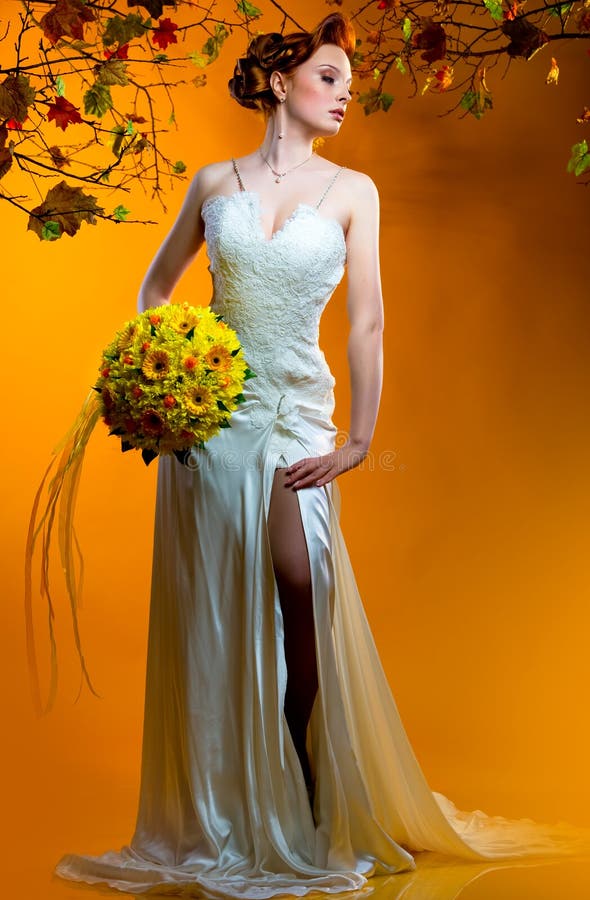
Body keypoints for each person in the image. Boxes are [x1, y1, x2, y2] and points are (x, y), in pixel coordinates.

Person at [54, 11, 590, 898]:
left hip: (298, 414)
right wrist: (164, 385)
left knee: (300, 586)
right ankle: (229, 816)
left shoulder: (353, 190)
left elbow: (367, 320)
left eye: (346, 81)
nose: (345, 95)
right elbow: (156, 291)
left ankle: (309, 807)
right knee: (219, 614)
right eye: (330, 77)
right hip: (211, 421)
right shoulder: (211, 181)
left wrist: (360, 442)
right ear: (279, 84)